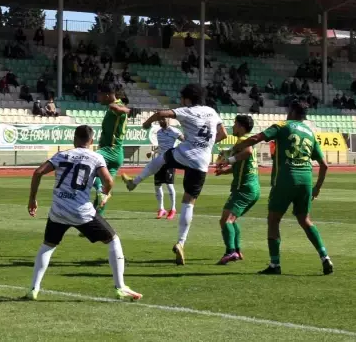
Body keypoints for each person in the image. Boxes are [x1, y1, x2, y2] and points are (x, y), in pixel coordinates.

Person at [25, 125, 141, 301]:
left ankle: (34, 288)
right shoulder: (96, 157)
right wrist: (104, 194)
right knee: (113, 240)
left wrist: (32, 199)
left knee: (47, 246)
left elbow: (38, 172)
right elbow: (108, 180)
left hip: (59, 210)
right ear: (91, 141)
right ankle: (120, 286)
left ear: (74, 139)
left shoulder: (62, 154)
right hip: (81, 211)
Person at [121, 83, 227, 265]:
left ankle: (135, 181)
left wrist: (147, 123)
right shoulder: (212, 111)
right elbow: (223, 134)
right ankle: (181, 242)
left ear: (188, 99)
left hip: (185, 153)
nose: (181, 101)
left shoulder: (187, 111)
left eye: (182, 98)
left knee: (162, 158)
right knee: (189, 202)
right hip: (202, 161)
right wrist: (206, 144)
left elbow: (162, 114)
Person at [230, 101, 332, 275]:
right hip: (306, 180)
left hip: (285, 178)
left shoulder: (282, 125)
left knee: (273, 220)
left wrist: (234, 148)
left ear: (291, 111)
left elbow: (256, 139)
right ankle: (325, 257)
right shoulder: (310, 132)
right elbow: (324, 165)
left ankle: (275, 264)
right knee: (305, 220)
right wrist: (317, 188)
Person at [214, 115, 260, 265]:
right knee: (232, 220)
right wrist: (225, 170)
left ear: (241, 126)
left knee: (225, 220)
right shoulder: (244, 141)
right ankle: (237, 251)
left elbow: (247, 152)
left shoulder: (243, 141)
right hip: (251, 188)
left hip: (244, 188)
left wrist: (228, 160)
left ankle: (230, 251)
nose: (232, 127)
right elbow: (241, 167)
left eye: (234, 124)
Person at [92, 83, 130, 216]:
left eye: (100, 95)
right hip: (116, 153)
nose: (98, 98)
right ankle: (96, 222)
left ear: (107, 95)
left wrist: (124, 110)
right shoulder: (114, 106)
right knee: (104, 193)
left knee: (86, 161)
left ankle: (99, 190)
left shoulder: (115, 106)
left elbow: (121, 110)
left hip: (110, 151)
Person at [150, 118, 184, 220]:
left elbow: (185, 141)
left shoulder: (174, 131)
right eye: (160, 120)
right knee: (157, 185)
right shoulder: (159, 132)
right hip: (160, 160)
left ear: (168, 120)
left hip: (170, 160)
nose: (161, 121)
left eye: (163, 119)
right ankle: (161, 209)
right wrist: (153, 152)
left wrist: (178, 151)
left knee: (169, 185)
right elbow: (161, 147)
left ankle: (173, 209)